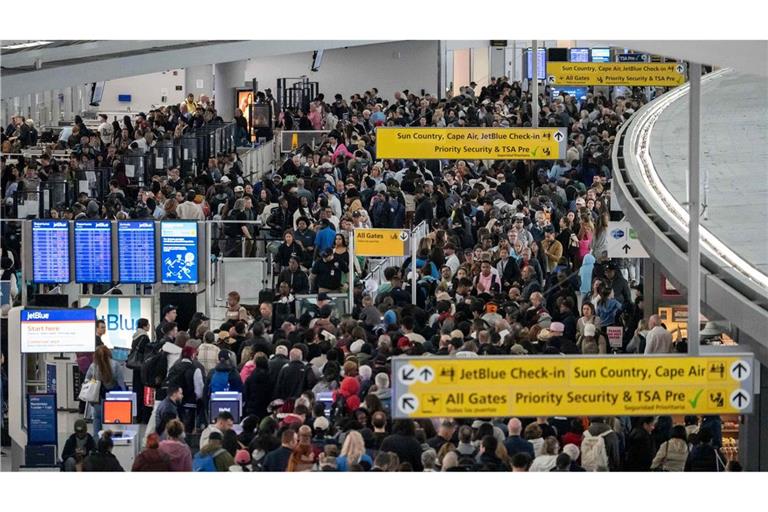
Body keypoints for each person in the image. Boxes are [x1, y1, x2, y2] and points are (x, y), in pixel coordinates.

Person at [84, 345, 125, 437]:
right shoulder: (116, 365)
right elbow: (121, 384)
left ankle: (97, 443)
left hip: (98, 398)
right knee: (113, 424)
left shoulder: (93, 366)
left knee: (97, 420)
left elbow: (86, 380)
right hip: (113, 399)